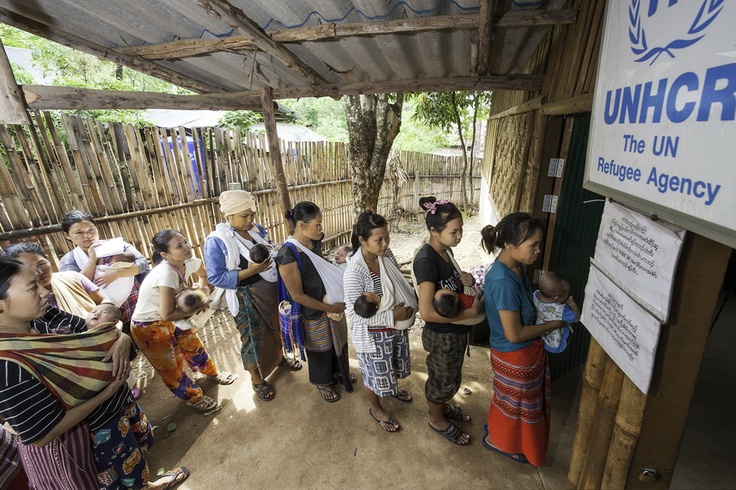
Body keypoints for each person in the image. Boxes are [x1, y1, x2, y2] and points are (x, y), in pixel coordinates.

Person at [0, 259, 189, 489]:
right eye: (32, 287)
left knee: (135, 464)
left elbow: (98, 331)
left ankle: (149, 484)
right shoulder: (7, 367)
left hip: (117, 411)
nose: (43, 292)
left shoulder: (45, 318)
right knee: (122, 479)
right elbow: (42, 435)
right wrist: (106, 392)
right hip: (93, 436)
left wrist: (123, 338)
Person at [481, 212, 574, 467]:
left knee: (511, 405)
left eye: (538, 243)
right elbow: (515, 333)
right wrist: (555, 324)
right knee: (517, 408)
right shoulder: (502, 280)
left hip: (520, 352)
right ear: (510, 245)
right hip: (514, 353)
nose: (538, 250)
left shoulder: (517, 267)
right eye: (533, 244)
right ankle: (503, 442)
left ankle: (501, 437)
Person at [205, 190, 299, 403]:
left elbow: (269, 248)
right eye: (243, 216)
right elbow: (217, 277)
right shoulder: (217, 241)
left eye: (251, 215)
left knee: (275, 329)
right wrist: (251, 272)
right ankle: (257, 380)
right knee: (253, 339)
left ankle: (279, 358)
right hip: (246, 298)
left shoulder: (257, 230)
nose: (250, 221)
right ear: (228, 216)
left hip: (269, 291)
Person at [131, 229, 236, 415]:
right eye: (179, 246)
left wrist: (201, 291)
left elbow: (203, 275)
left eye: (185, 242)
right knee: (171, 365)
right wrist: (198, 306)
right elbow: (166, 314)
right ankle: (193, 398)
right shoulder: (165, 274)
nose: (187, 247)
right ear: (165, 254)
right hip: (149, 326)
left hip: (173, 315)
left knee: (193, 345)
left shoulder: (190, 261)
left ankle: (212, 373)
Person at [411, 196, 484, 446]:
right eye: (454, 231)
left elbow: (449, 289)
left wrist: (467, 282)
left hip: (454, 332)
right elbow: (427, 312)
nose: (460, 235)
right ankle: (436, 418)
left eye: (461, 229)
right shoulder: (426, 262)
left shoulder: (445, 251)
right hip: (442, 334)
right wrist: (470, 314)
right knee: (442, 378)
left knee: (451, 375)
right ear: (434, 231)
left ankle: (442, 407)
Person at [344, 211, 417, 432]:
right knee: (373, 375)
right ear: (362, 240)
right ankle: (376, 408)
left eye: (387, 237)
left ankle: (392, 388)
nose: (385, 244)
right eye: (378, 240)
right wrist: (390, 316)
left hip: (394, 330)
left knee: (391, 367)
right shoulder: (354, 272)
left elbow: (396, 285)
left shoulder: (386, 255)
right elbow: (354, 316)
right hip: (373, 337)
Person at [275, 201, 353, 402]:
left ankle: (339, 372)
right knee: (321, 348)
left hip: (330, 303)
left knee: (338, 341)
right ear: (302, 225)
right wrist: (330, 307)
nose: (321, 229)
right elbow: (298, 296)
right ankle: (323, 381)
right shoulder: (287, 255)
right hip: (313, 311)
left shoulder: (314, 243)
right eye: (317, 224)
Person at [59, 210, 148, 333]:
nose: (87, 236)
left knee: (142, 333)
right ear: (67, 235)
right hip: (102, 312)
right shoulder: (69, 260)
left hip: (132, 301)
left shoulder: (117, 245)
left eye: (91, 230)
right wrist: (92, 259)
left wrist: (118, 273)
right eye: (79, 232)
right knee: (119, 338)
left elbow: (142, 263)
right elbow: (76, 285)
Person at [1, 242, 109, 318]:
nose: (38, 272)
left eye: (41, 264)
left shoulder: (73, 277)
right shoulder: (17, 303)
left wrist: (103, 317)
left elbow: (105, 301)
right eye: (28, 268)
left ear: (48, 258)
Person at [533, 271, 579, 353]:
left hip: (539, 336)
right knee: (569, 324)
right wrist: (572, 304)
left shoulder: (534, 295)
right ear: (556, 298)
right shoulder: (560, 309)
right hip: (555, 345)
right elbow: (576, 319)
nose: (568, 296)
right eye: (566, 294)